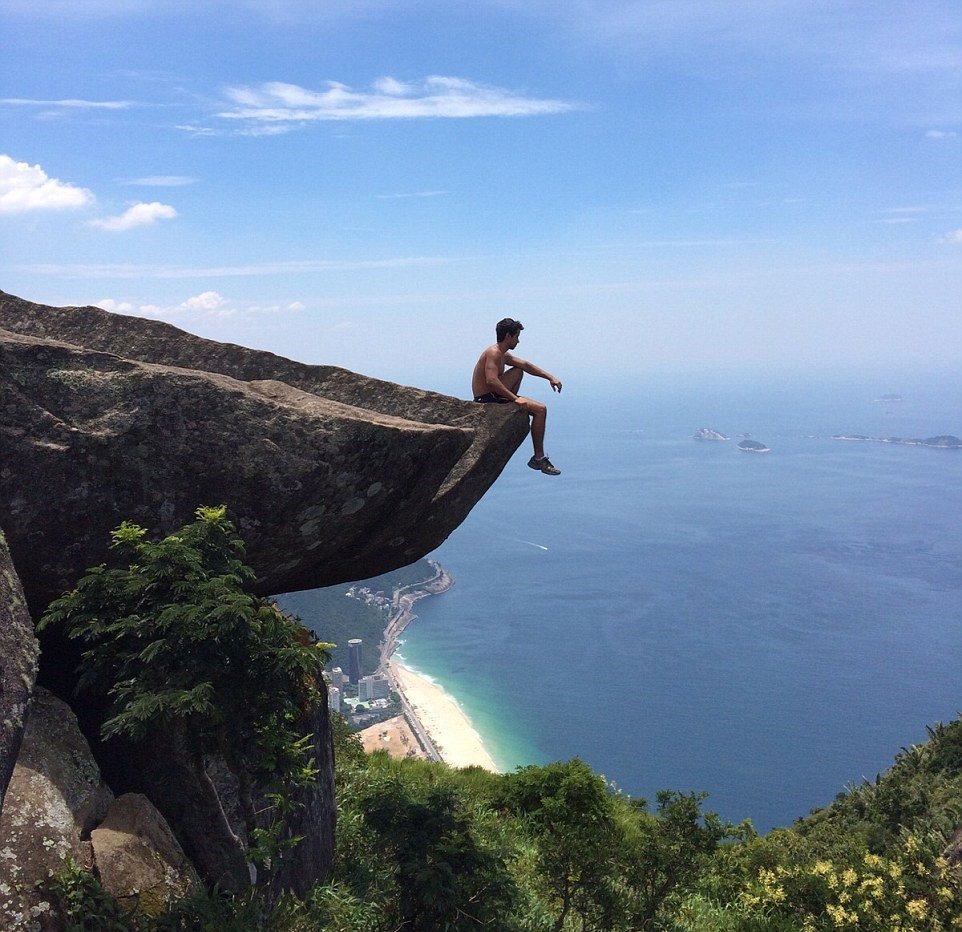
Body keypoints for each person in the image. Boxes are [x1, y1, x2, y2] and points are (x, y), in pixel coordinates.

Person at [472, 318, 563, 475]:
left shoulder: (502, 354)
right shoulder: (493, 353)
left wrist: (550, 377)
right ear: (508, 336)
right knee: (540, 410)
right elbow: (491, 380)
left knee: (519, 370)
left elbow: (526, 365)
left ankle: (538, 458)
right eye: (517, 336)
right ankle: (539, 459)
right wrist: (515, 399)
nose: (518, 341)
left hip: (496, 396)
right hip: (487, 399)